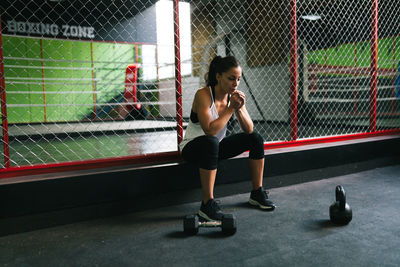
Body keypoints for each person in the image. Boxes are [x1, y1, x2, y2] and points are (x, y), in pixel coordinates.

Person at [179, 55, 275, 222]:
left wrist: (238, 108)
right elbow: (209, 130)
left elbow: (249, 129)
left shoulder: (234, 97)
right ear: (218, 76)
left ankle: (257, 192)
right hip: (192, 148)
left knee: (256, 139)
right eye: (231, 78)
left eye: (238, 79)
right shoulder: (203, 95)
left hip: (215, 147)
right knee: (211, 141)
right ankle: (207, 204)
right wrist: (231, 109)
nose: (235, 83)